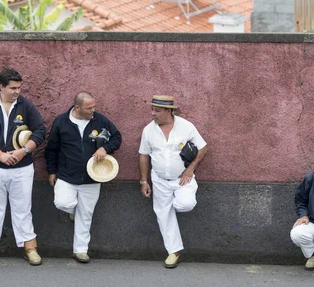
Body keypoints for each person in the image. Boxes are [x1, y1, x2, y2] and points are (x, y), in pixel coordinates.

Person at [0, 68, 46, 266]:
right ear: (1, 87)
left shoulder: (26, 105)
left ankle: (30, 248)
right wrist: (0, 155)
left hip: (22, 169)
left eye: (19, 88)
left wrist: (23, 151)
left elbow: (40, 130)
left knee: (23, 209)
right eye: (13, 88)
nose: (17, 92)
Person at [45, 92, 122, 263]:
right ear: (77, 107)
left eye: (94, 106)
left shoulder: (100, 120)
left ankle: (80, 250)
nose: (93, 110)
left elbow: (117, 137)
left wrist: (105, 149)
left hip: (93, 177)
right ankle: (73, 213)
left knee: (86, 215)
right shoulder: (61, 122)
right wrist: (52, 171)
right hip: (66, 175)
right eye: (89, 108)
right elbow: (51, 149)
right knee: (63, 203)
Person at [138, 95, 207, 269]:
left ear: (169, 111)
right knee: (163, 216)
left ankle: (172, 205)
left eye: (157, 110)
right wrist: (144, 181)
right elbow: (143, 155)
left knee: (185, 204)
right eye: (152, 109)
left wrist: (190, 168)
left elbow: (203, 147)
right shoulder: (148, 130)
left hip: (182, 179)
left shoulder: (186, 126)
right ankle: (173, 252)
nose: (153, 113)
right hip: (159, 180)